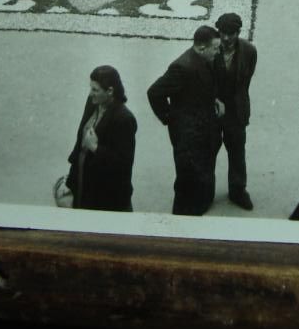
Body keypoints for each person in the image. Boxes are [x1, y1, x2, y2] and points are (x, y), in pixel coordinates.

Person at [147, 26, 224, 216]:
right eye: (215, 48)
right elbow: (155, 92)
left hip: (206, 129)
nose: (218, 51)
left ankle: (203, 201)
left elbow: (203, 86)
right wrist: (170, 118)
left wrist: (213, 99)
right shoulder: (182, 67)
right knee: (188, 177)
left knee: (205, 169)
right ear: (201, 48)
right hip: (189, 136)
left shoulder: (206, 59)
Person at [65, 66, 137, 211]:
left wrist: (96, 148)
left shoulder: (125, 119)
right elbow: (79, 144)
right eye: (91, 88)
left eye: (95, 90)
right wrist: (69, 184)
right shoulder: (92, 103)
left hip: (106, 196)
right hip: (83, 185)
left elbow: (123, 165)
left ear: (110, 91)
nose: (91, 93)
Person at [213, 12, 257, 210]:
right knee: (207, 150)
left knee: (237, 151)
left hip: (236, 110)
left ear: (239, 32)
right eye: (223, 33)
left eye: (231, 34)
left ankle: (238, 190)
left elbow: (245, 81)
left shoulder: (249, 51)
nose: (226, 38)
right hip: (212, 109)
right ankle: (205, 190)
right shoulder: (211, 47)